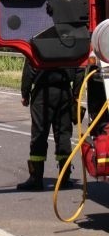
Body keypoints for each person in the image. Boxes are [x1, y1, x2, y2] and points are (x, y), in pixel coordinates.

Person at [16, 60, 75, 190]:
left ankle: (36, 179)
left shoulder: (38, 40)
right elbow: (79, 66)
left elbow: (29, 67)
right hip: (65, 92)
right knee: (64, 135)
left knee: (39, 135)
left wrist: (25, 93)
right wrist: (76, 94)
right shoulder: (69, 41)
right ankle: (65, 179)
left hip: (42, 93)